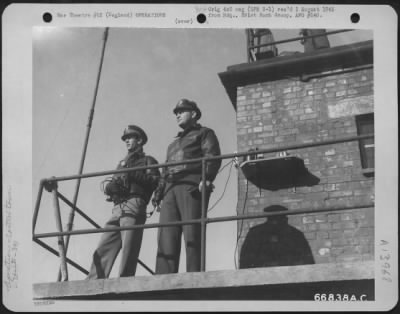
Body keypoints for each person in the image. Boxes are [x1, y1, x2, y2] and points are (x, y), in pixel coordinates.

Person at [152, 99, 222, 274]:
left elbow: (211, 155)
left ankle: (194, 276)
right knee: (166, 237)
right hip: (169, 189)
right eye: (176, 112)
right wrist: (158, 195)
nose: (177, 114)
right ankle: (163, 279)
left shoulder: (204, 133)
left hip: (191, 185)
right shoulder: (172, 144)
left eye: (182, 111)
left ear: (194, 113)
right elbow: (165, 170)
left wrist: (207, 178)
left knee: (193, 233)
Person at [87, 125, 160, 279]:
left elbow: (154, 182)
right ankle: (94, 280)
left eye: (130, 137)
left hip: (134, 203)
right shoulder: (122, 163)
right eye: (125, 139)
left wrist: (133, 174)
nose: (127, 141)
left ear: (139, 140)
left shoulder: (148, 160)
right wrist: (110, 188)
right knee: (104, 244)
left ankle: (125, 280)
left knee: (129, 247)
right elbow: (114, 181)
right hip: (118, 206)